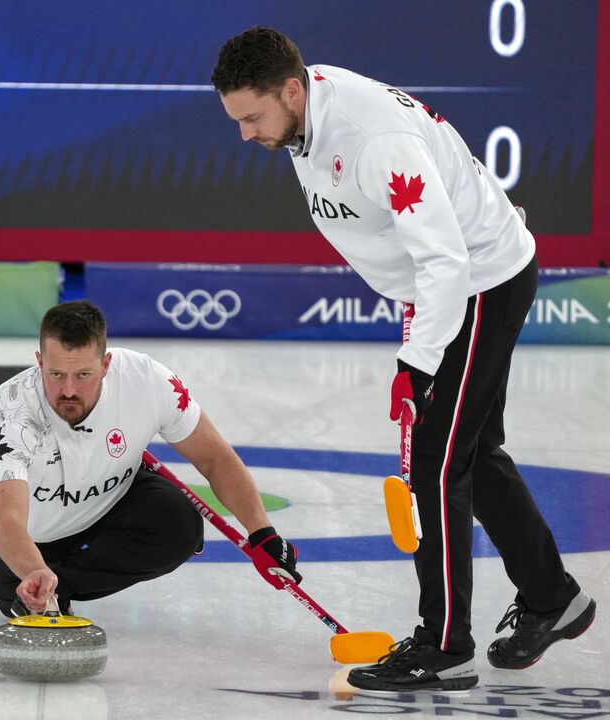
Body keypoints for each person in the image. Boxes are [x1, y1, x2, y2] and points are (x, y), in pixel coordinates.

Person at [211, 27, 595, 691]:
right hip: (451, 281)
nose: (245, 135)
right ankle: (552, 596)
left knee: (436, 466)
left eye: (252, 117)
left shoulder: (372, 139)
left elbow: (445, 259)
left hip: (478, 282)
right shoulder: (308, 107)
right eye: (237, 119)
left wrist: (416, 363)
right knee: (470, 452)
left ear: (293, 90)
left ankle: (443, 647)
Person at [0, 299, 299, 620]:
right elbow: (7, 521)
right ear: (39, 361)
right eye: (56, 374)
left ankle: (63, 585)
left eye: (84, 374)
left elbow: (214, 457)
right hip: (37, 534)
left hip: (111, 501)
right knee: (19, 597)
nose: (69, 390)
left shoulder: (147, 380)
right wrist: (34, 570)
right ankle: (20, 572)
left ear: (106, 365)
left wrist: (261, 532)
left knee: (179, 527)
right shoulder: (9, 413)